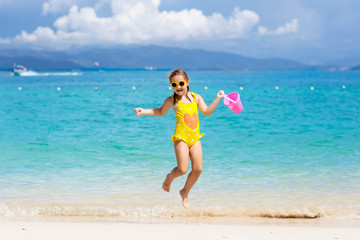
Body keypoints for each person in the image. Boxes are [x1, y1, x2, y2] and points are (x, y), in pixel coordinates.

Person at [133, 69, 224, 208]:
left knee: (198, 169)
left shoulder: (196, 97)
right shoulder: (172, 100)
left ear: (187, 82)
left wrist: (217, 98)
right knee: (182, 169)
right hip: (181, 138)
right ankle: (169, 178)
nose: (178, 87)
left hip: (195, 138)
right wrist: (144, 111)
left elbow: (206, 112)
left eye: (181, 83)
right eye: (174, 85)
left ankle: (184, 192)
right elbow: (160, 111)